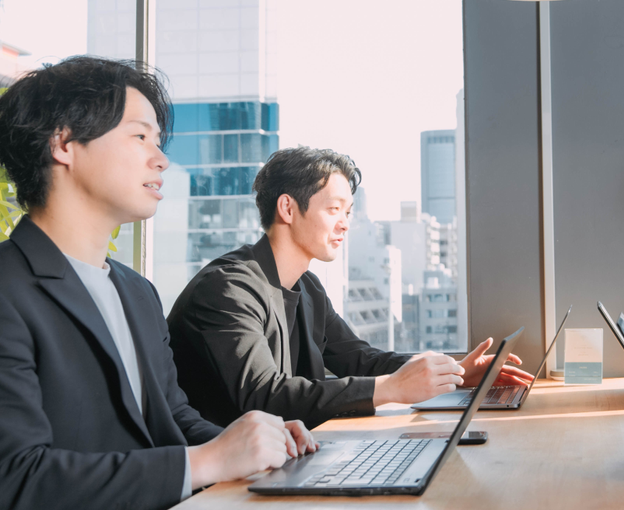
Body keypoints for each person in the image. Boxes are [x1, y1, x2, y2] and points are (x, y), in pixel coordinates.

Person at [0, 56, 318, 510]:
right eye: (140, 136)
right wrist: (205, 462)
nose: (162, 158)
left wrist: (255, 442)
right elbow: (16, 478)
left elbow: (171, 416)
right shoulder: (8, 287)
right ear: (64, 143)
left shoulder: (136, 291)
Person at [167, 146, 534, 428]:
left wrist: (452, 373)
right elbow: (263, 396)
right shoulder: (227, 289)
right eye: (334, 210)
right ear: (288, 209)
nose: (345, 224)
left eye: (349, 212)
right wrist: (390, 388)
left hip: (287, 455)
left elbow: (361, 359)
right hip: (226, 481)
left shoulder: (307, 287)